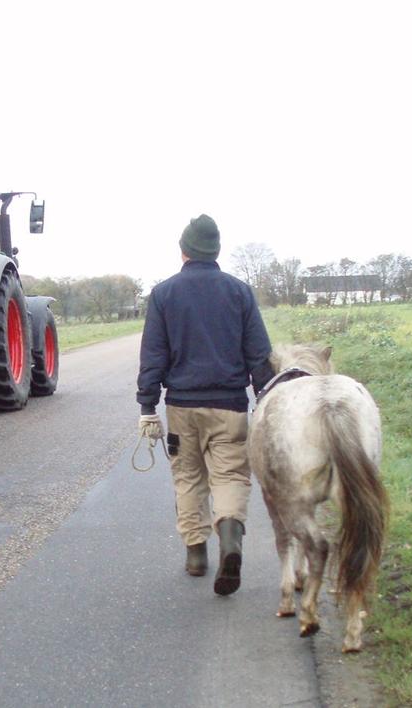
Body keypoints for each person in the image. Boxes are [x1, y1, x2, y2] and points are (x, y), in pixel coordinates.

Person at [137, 214, 274, 595]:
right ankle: (230, 542)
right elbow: (259, 355)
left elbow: (153, 355)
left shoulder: (164, 295)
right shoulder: (240, 292)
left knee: (188, 478)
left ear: (184, 251)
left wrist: (148, 405)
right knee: (230, 476)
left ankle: (196, 555)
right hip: (230, 406)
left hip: (182, 408)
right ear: (215, 251)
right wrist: (266, 397)